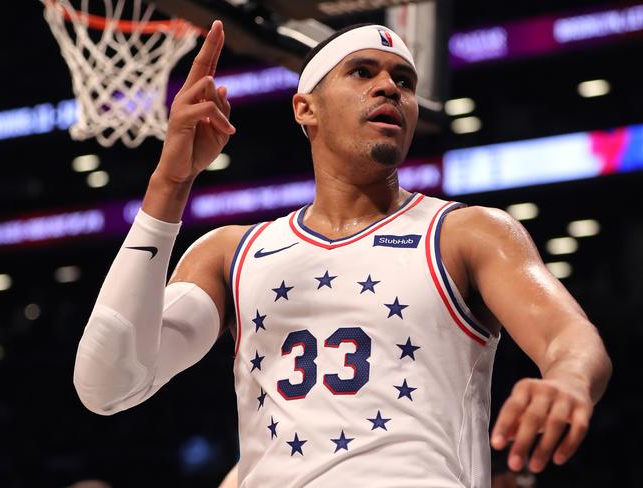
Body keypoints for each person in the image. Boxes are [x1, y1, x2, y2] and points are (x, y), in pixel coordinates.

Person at [73, 21, 612, 487]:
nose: (389, 88)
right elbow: (107, 384)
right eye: (363, 72)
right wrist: (170, 184)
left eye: (404, 80)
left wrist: (566, 381)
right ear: (305, 109)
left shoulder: (466, 233)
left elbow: (569, 337)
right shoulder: (231, 253)